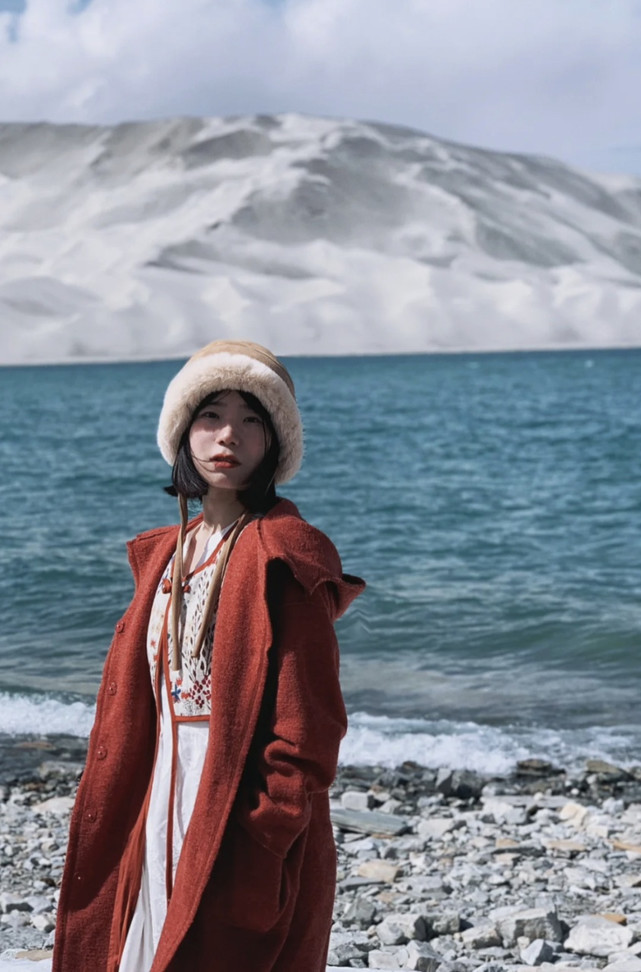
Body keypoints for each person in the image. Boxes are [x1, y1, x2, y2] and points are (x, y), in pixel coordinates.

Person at [53, 340, 365, 972]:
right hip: (159, 793)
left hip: (237, 808)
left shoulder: (285, 555)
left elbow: (310, 730)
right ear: (183, 432)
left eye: (252, 419)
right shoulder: (168, 554)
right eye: (211, 416)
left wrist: (264, 835)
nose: (229, 436)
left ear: (275, 441)